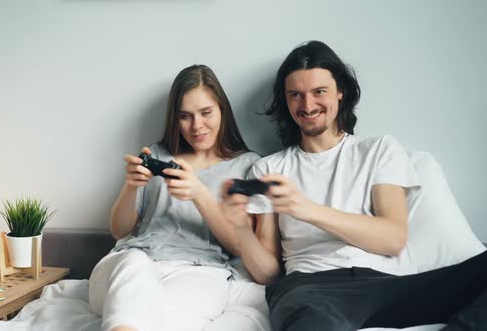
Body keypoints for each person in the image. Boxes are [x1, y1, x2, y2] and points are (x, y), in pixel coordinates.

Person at [219, 40, 487, 331]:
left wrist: (306, 209)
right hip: (311, 289)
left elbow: (392, 238)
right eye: (295, 95)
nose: (307, 105)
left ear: (341, 92)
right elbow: (268, 274)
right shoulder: (270, 168)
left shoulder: (380, 150)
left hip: (391, 287)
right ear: (286, 101)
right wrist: (242, 228)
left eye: (319, 91)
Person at [89, 64, 271, 331]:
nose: (197, 126)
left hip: (201, 269)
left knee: (166, 317)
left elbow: (239, 247)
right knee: (133, 265)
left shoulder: (248, 165)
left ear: (222, 110)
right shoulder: (159, 154)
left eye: (206, 113)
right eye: (185, 116)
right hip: (134, 259)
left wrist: (199, 194)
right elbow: (119, 230)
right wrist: (130, 187)